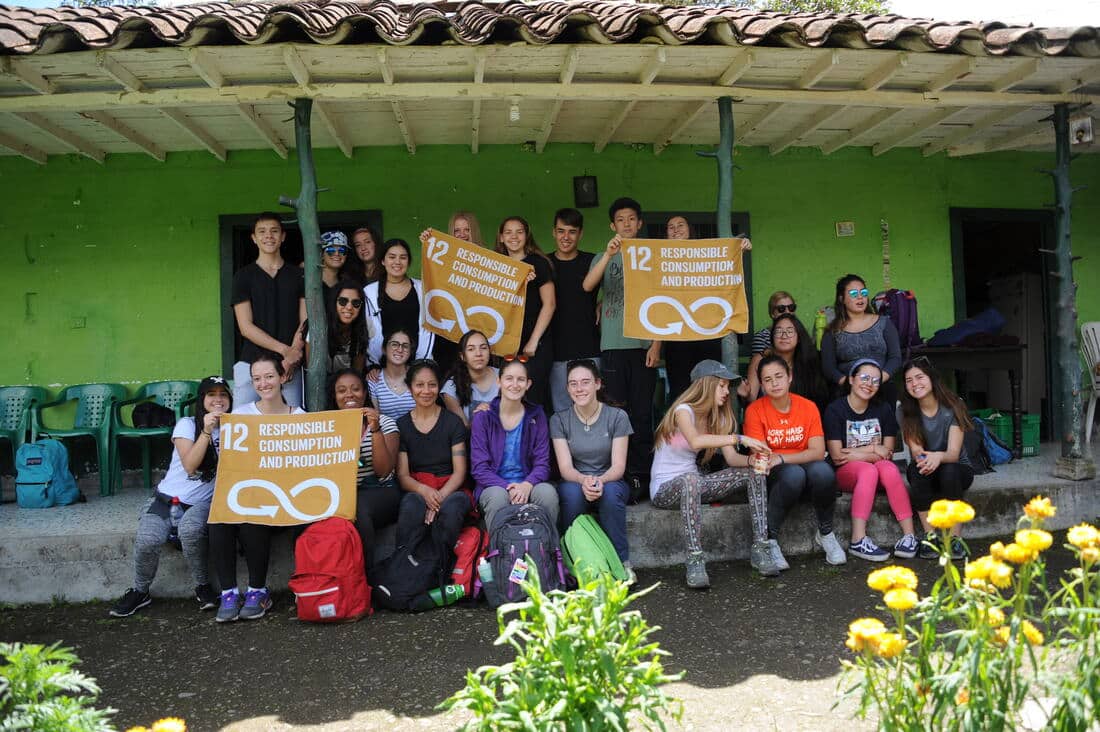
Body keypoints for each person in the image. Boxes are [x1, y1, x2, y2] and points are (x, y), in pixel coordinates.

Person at [109, 376, 232, 618]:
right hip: (167, 498)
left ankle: (203, 586)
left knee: (190, 530)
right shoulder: (187, 424)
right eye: (211, 394)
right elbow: (190, 466)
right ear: (201, 399)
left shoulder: (235, 426)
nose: (218, 399)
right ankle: (140, 591)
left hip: (202, 502)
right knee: (148, 540)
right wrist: (207, 431)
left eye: (223, 394)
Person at [650, 360, 775, 588]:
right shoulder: (682, 411)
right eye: (722, 386)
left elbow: (732, 460)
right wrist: (740, 438)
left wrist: (753, 460)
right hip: (665, 490)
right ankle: (695, 559)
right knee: (690, 480)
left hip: (695, 485)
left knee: (754, 473)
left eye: (728, 387)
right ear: (706, 385)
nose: (728, 392)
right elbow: (696, 441)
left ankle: (761, 547)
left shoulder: (718, 417)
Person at [210, 353, 306, 623]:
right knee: (219, 518)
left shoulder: (300, 417)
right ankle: (229, 592)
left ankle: (257, 591)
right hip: (251, 493)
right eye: (257, 379)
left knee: (252, 516)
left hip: (285, 497)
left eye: (269, 376)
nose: (263, 383)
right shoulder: (240, 416)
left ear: (283, 377)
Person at [582, 197, 657, 494]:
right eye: (620, 220)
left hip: (643, 347)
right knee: (615, 414)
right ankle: (619, 477)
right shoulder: (604, 254)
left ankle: (641, 477)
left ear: (639, 223)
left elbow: (663, 303)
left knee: (641, 414)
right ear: (613, 226)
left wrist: (657, 346)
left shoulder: (653, 255)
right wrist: (608, 255)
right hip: (612, 345)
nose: (626, 224)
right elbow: (588, 286)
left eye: (631, 219)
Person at [744, 355, 844, 568]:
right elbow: (763, 457)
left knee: (824, 472)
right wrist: (781, 460)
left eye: (779, 376)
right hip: (776, 476)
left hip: (800, 468)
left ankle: (826, 533)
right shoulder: (755, 411)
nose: (774, 383)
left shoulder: (808, 407)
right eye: (768, 379)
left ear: (790, 377)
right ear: (761, 385)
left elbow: (818, 452)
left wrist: (781, 456)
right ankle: (770, 540)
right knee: (793, 474)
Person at [823, 359, 919, 562]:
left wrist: (858, 452)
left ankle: (909, 536)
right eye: (864, 377)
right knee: (870, 470)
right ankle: (858, 539)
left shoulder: (883, 409)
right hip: (845, 473)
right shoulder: (835, 410)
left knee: (889, 469)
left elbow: (889, 452)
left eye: (875, 381)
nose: (869, 384)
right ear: (851, 379)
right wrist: (874, 448)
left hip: (877, 470)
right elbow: (838, 455)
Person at [552, 360, 633, 580]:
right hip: (575, 480)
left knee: (610, 495)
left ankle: (621, 563)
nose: (579, 389)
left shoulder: (617, 417)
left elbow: (618, 466)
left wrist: (599, 481)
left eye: (585, 382)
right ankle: (574, 565)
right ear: (568, 389)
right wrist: (584, 480)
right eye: (573, 384)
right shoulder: (559, 420)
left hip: (611, 479)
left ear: (598, 384)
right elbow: (565, 468)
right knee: (570, 494)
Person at [659, 215, 752, 400]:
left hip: (708, 332)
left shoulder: (706, 253)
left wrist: (741, 247)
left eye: (680, 225)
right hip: (676, 337)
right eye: (670, 227)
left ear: (690, 229)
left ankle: (709, 429)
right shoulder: (659, 259)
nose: (676, 229)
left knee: (710, 388)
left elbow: (726, 261)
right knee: (681, 391)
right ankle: (682, 428)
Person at [899, 357, 976, 561]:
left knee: (949, 470)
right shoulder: (905, 410)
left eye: (919, 377)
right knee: (915, 470)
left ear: (931, 378)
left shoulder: (954, 405)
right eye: (909, 380)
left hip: (958, 468)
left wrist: (937, 457)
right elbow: (916, 450)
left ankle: (955, 538)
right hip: (926, 466)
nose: (915, 384)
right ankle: (930, 536)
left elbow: (953, 453)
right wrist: (927, 459)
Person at [471, 358, 559, 534]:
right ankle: (500, 555)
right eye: (509, 378)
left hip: (528, 482)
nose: (514, 384)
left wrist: (527, 484)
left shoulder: (537, 415)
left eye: (520, 379)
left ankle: (547, 552)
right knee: (497, 497)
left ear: (528, 384)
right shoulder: (483, 417)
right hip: (494, 485)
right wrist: (508, 487)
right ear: (499, 381)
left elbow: (542, 463)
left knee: (547, 494)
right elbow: (479, 468)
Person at [394, 359, 470, 559]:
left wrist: (437, 500)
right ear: (410, 388)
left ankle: (440, 568)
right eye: (419, 385)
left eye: (432, 385)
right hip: (418, 487)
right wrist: (424, 491)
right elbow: (402, 475)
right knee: (411, 506)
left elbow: (460, 472)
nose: (426, 391)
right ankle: (403, 565)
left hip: (451, 488)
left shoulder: (453, 423)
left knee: (453, 509)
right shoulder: (401, 425)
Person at [231, 212, 305, 408]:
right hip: (250, 364)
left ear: (283, 236)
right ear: (254, 238)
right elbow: (245, 326)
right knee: (242, 426)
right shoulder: (243, 276)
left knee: (291, 428)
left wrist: (293, 355)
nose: (268, 236)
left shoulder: (299, 275)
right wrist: (285, 351)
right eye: (262, 232)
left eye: (274, 231)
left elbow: (305, 321)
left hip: (289, 368)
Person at [331, 368, 400, 569]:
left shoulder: (384, 422)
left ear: (365, 393)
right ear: (334, 396)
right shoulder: (327, 425)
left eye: (356, 389)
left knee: (358, 508)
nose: (349, 394)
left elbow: (384, 471)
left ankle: (365, 578)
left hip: (382, 492)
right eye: (341, 390)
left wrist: (375, 428)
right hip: (342, 493)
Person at [496, 216, 555, 414]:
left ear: (527, 235)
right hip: (505, 346)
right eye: (508, 232)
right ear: (501, 237)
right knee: (509, 401)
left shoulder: (538, 263)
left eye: (519, 231)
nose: (514, 237)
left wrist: (533, 341)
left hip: (535, 347)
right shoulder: (496, 264)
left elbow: (550, 304)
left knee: (534, 400)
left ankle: (539, 445)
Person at [547, 208, 601, 415]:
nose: (566, 237)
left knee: (593, 409)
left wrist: (603, 303)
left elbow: (621, 289)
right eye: (561, 231)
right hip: (557, 353)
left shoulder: (592, 261)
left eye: (571, 231)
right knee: (562, 413)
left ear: (580, 234)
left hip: (591, 348)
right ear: (554, 232)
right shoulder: (545, 263)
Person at [420, 212, 486, 372]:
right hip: (448, 331)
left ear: (474, 232)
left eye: (467, 230)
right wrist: (429, 242)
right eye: (457, 231)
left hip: (478, 330)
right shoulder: (444, 257)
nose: (462, 235)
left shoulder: (488, 259)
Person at [821, 274, 902, 403]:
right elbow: (828, 367)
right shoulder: (832, 331)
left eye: (863, 292)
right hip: (847, 392)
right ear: (841, 299)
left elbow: (895, 357)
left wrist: (878, 380)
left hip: (882, 388)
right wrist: (849, 383)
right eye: (853, 293)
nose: (860, 297)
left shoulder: (884, 323)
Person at [363, 238, 435, 365]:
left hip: (420, 364)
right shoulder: (370, 292)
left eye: (403, 257)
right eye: (392, 257)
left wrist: (421, 363)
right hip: (383, 367)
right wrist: (374, 364)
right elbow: (372, 333)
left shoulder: (422, 289)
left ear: (408, 261)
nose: (397, 261)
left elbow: (428, 331)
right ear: (383, 261)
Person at [739, 313, 829, 411]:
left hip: (800, 419)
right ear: (772, 337)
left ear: (799, 337)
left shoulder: (808, 361)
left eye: (790, 331)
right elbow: (751, 399)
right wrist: (746, 394)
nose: (784, 335)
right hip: (767, 417)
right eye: (778, 331)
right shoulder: (761, 359)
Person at [304, 280, 369, 382]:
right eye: (343, 301)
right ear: (333, 302)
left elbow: (357, 374)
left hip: (346, 385)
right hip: (320, 385)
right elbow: (313, 373)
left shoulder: (363, 328)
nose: (349, 307)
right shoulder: (318, 327)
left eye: (356, 303)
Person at [442, 329, 499, 425]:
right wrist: (480, 416)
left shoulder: (504, 376)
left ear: (489, 351)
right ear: (462, 356)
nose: (478, 354)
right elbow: (461, 431)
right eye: (471, 349)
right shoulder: (451, 387)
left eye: (483, 348)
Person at [368, 328, 416, 421]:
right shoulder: (374, 379)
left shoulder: (417, 376)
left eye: (405, 346)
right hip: (387, 434)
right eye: (394, 344)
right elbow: (376, 419)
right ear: (384, 349)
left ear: (410, 351)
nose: (400, 349)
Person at [751, 291, 798, 356]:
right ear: (772, 313)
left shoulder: (800, 334)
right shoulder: (762, 337)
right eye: (781, 308)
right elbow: (758, 364)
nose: (787, 312)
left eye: (791, 307)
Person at [318, 231, 349, 305]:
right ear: (321, 254)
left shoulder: (346, 283)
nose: (337, 254)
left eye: (342, 250)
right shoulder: (309, 281)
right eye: (331, 250)